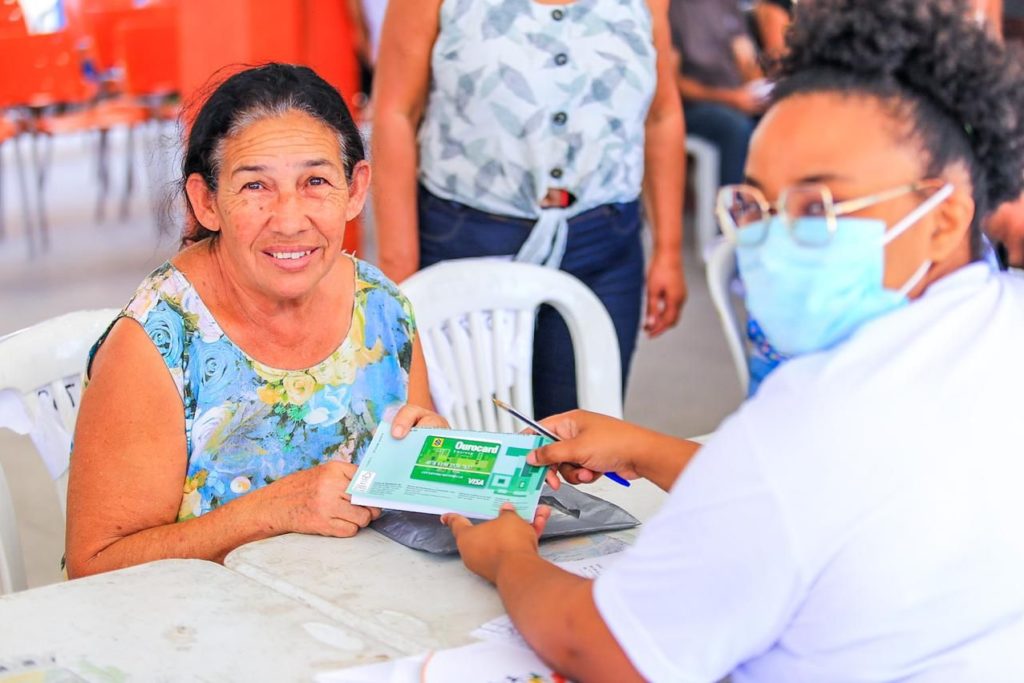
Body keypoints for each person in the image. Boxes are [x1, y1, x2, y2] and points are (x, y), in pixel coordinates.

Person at [435, 1, 1024, 680]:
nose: (771, 242)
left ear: (945, 215)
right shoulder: (998, 327)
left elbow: (595, 645)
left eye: (818, 207)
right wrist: (644, 449)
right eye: (757, 207)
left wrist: (510, 556)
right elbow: (812, 504)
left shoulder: (806, 423)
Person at [65, 64, 446, 578]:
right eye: (255, 187)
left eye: (316, 181)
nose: (289, 220)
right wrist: (271, 511)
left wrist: (431, 463)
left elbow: (409, 478)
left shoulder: (380, 306)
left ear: (354, 191)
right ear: (207, 202)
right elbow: (96, 566)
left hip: (353, 610)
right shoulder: (160, 342)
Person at [372, 0, 686, 419]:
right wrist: (401, 277)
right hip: (468, 237)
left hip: (604, 245)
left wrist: (669, 248)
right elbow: (395, 113)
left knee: (580, 441)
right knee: (468, 439)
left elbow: (662, 114)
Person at [669, 0, 768, 187]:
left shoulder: (725, 4)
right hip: (694, 104)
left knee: (775, 116)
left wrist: (756, 86)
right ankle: (733, 207)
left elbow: (745, 55)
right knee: (734, 127)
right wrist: (732, 99)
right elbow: (673, 83)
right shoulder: (672, 9)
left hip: (737, 96)